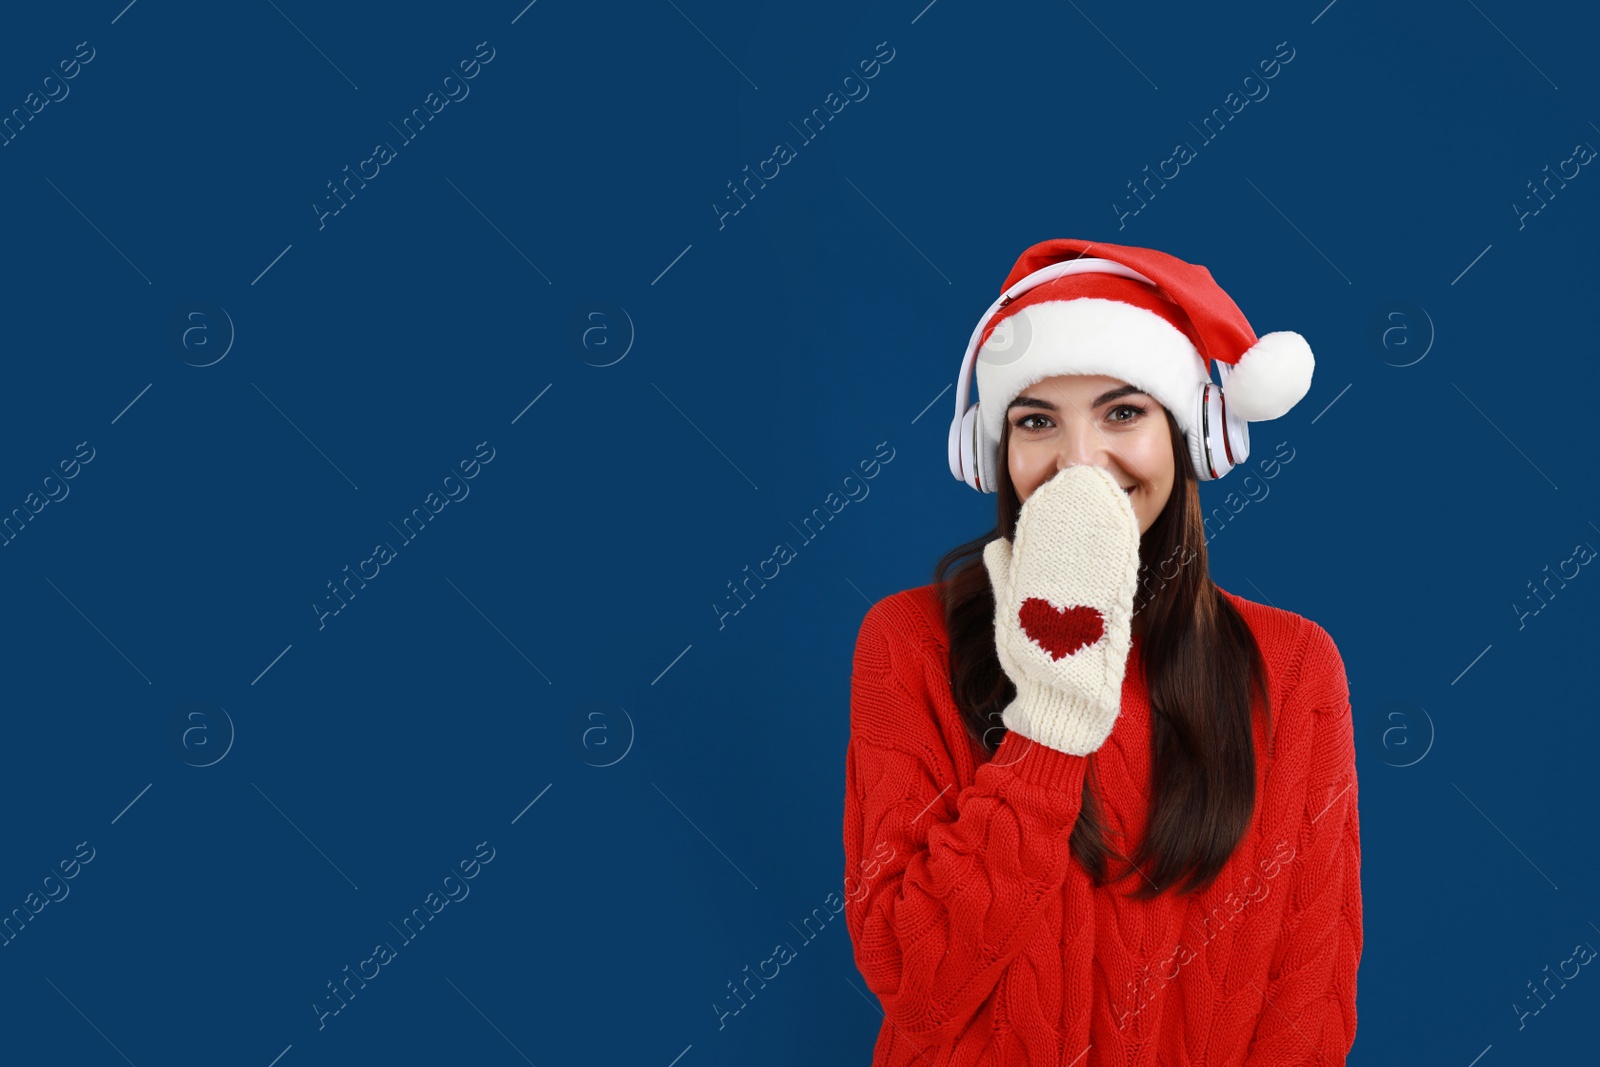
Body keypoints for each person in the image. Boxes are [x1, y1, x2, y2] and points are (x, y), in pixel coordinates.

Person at [843, 238, 1360, 1066]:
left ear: (1186, 436)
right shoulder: (909, 644)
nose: (1079, 460)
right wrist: (1052, 714)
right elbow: (917, 981)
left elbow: (1306, 1008)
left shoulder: (1295, 668)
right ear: (998, 452)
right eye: (1037, 420)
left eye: (1123, 412)